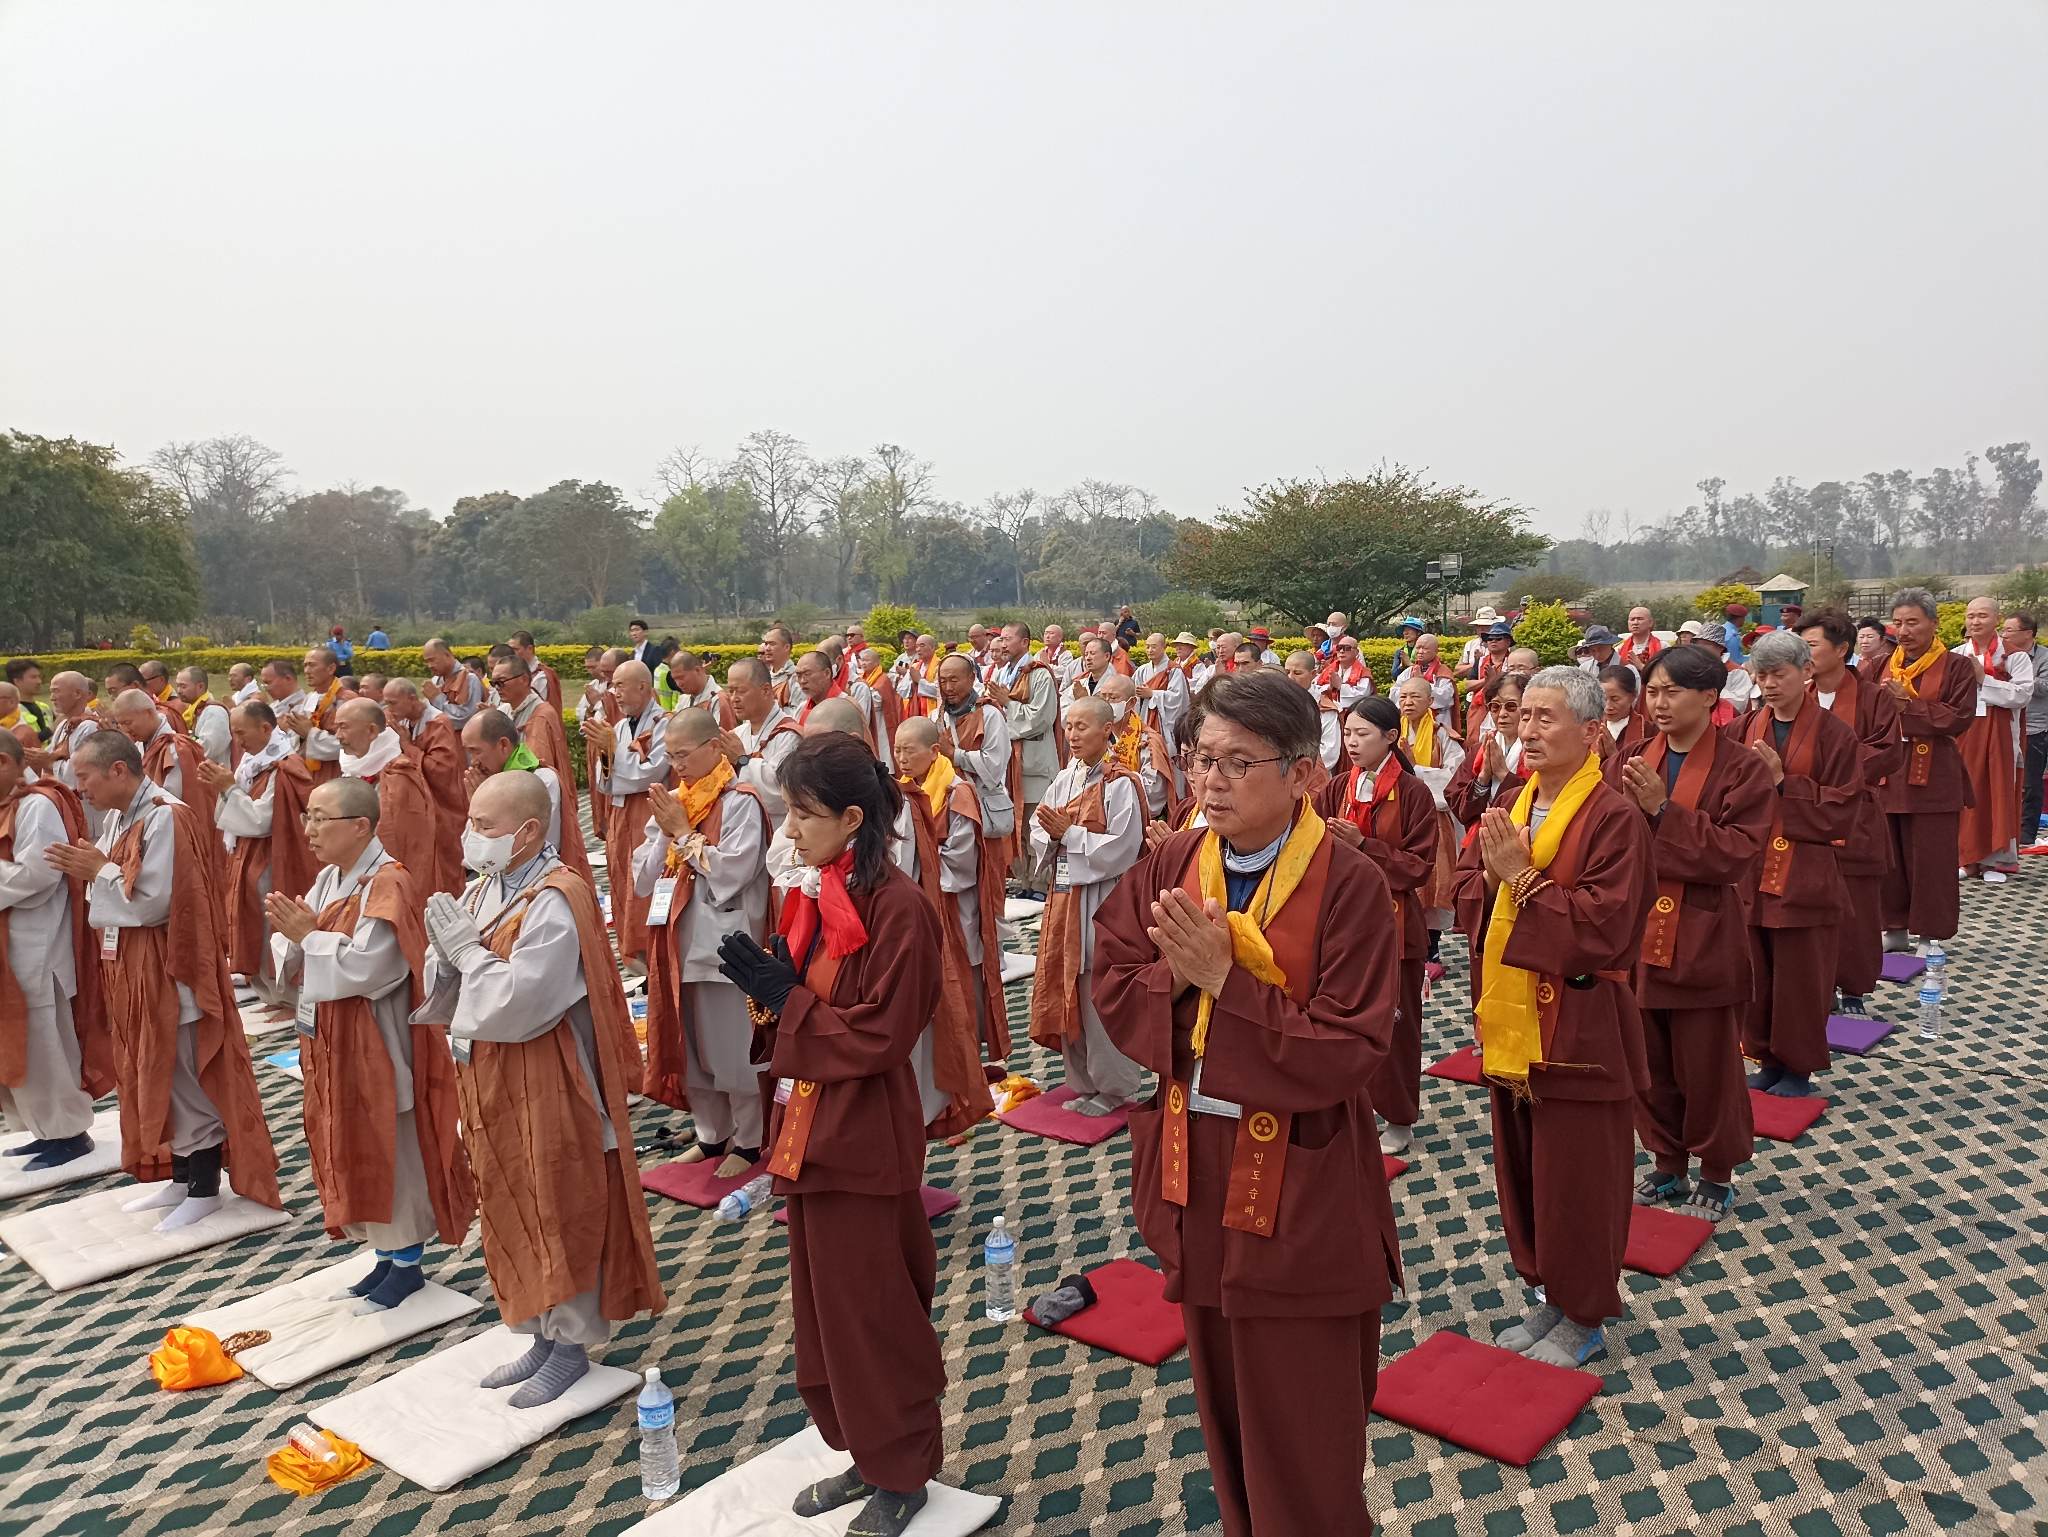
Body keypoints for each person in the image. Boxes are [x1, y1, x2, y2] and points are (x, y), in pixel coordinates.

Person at [1089, 669, 1401, 1537]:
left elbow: (1350, 1048)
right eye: (1200, 760)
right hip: (1196, 1165)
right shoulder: (1173, 859)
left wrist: (1227, 982)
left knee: (1302, 1416)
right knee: (1224, 1405)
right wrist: (1185, 983)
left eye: (1237, 763)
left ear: (1304, 772)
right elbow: (1112, 971)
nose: (1210, 782)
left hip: (1298, 1177)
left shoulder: (1350, 884)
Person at [713, 736, 948, 1537]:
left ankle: (903, 1468)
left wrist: (793, 1002)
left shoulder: (899, 908)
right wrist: (772, 990)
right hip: (806, 1126)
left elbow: (880, 1033)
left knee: (872, 1311)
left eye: (804, 814)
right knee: (825, 1316)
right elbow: (798, 1008)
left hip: (863, 1133)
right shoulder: (817, 891)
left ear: (853, 817)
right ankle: (867, 1450)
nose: (791, 828)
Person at [416, 772, 664, 1405]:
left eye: (485, 826)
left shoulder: (558, 898)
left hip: (548, 1074)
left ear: (528, 832)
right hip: (491, 1072)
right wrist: (445, 955)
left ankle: (572, 1343)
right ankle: (541, 1333)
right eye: (470, 822)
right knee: (507, 1196)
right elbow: (454, 985)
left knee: (557, 1199)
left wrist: (468, 954)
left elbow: (524, 1001)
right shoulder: (487, 887)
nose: (470, 836)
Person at [1451, 666, 1653, 1368]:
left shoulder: (1613, 815)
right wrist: (1486, 879)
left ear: (1593, 731)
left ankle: (1586, 1313)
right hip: (1512, 1017)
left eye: (1545, 717)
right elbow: (1474, 897)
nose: (1526, 729)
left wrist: (1521, 878)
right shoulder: (1515, 797)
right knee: (1528, 1167)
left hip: (1580, 1023)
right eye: (1522, 714)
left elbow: (1605, 928)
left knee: (1579, 1178)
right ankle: (1550, 1294)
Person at [47, 731, 281, 1231]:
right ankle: (179, 1176)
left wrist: (100, 872)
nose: (77, 786)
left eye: (83, 775)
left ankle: (204, 1187)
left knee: (182, 1070)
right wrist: (99, 871)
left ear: (117, 771)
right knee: (150, 1067)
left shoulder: (165, 816)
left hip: (168, 964)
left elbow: (157, 902)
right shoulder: (120, 816)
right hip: (131, 963)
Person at [265, 777, 475, 1309]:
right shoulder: (333, 877)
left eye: (320, 818)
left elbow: (370, 967)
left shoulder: (388, 883)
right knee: (353, 1137)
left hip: (377, 1039)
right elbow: (301, 937)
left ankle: (406, 1262)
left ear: (360, 826)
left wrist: (309, 937)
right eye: (307, 816)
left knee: (392, 1144)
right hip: (335, 1036)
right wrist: (299, 938)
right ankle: (383, 1255)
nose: (308, 829)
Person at [1608, 644, 1774, 1222]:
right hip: (1636, 935)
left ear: (1710, 696)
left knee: (1707, 1065)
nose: (1659, 703)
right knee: (1647, 1059)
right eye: (1652, 692)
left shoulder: (1743, 768)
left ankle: (1717, 1170)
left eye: (1671, 691)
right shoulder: (1631, 757)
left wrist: (1663, 812)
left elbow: (1735, 854)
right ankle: (1667, 1160)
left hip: (1703, 935)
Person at [632, 708, 770, 1170]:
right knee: (691, 1049)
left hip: (724, 945)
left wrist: (681, 832)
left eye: (684, 755)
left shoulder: (741, 801)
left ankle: (750, 1141)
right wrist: (666, 831)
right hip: (677, 942)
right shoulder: (676, 798)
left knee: (733, 1049)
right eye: (670, 756)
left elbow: (732, 872)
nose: (677, 766)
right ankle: (712, 1136)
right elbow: (644, 878)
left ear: (715, 747)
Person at [1733, 631, 1860, 1101]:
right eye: (1761, 674)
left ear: (1807, 673)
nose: (1768, 684)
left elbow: (1844, 807)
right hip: (1753, 866)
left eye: (1778, 674)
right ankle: (1766, 1057)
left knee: (1801, 977)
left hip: (1805, 872)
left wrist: (1785, 782)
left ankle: (1798, 1067)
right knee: (1757, 971)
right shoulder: (1745, 727)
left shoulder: (1834, 733)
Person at [1314, 696, 1438, 1159]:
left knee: (1397, 1023)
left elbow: (1419, 867)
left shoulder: (1412, 793)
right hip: (1344, 923)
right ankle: (1355, 1103)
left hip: (1396, 924)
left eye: (1362, 734)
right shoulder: (1337, 787)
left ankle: (1400, 1116)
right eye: (1347, 733)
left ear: (1391, 737)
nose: (1351, 743)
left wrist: (1364, 845)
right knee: (1346, 1017)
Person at [1028, 696, 1147, 1115]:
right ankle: (1082, 1082)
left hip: (1102, 901)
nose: (1073, 735)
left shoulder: (1121, 784)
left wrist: (1070, 835)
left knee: (1099, 993)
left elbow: (1124, 848)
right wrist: (1055, 835)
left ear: (1106, 730)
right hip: (1064, 898)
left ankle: (1115, 1089)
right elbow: (1038, 827)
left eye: (1082, 727)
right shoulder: (1066, 777)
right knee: (1068, 986)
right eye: (1069, 726)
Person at [0, 733, 111, 1171]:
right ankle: (46, 1130)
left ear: (6, 762)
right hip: (13, 946)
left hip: (36, 944)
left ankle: (68, 1134)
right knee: (23, 1041)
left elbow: (39, 874)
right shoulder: (11, 805)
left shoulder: (38, 805)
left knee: (45, 1043)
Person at [1799, 608, 1904, 1015]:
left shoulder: (1873, 696)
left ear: (1841, 649)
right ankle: (1818, 987)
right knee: (1811, 907)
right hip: (1806, 816)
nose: (1804, 654)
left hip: (1856, 816)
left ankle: (1854, 989)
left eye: (1811, 646)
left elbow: (1887, 751)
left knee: (1857, 911)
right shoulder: (1799, 695)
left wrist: (1830, 766)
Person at [894, 715, 1010, 1070]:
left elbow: (959, 861)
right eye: (896, 750)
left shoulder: (955, 792)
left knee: (963, 979)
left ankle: (969, 1061)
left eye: (908, 750)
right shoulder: (902, 790)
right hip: (921, 899)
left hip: (954, 905)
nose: (901, 758)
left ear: (933, 751)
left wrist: (917, 872)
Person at [1880, 588, 1978, 951]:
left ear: (1934, 624)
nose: (1904, 631)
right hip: (1888, 773)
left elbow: (1958, 717)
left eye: (1913, 622)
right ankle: (1893, 927)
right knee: (1888, 857)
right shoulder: (1881, 664)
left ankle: (1931, 933)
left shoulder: (1956, 667)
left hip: (1934, 775)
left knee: (1931, 860)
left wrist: (1908, 707)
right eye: (1899, 622)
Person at [202, 702, 318, 1006]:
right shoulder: (252, 764)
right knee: (250, 919)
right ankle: (269, 993)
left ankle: (289, 996)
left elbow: (261, 819)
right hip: (246, 854)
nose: (238, 741)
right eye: (233, 733)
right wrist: (227, 788)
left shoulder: (285, 766)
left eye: (241, 732)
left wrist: (229, 789)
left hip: (274, 856)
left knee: (271, 923)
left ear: (265, 728)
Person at [588, 660, 668, 964]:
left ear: (644, 687)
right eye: (613, 686)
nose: (615, 693)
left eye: (621, 685)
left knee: (645, 880)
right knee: (621, 879)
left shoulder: (663, 724)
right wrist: (608, 753)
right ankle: (631, 950)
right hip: (620, 816)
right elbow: (602, 780)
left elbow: (651, 772)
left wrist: (614, 753)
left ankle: (652, 951)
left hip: (647, 814)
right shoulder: (619, 726)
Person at [489, 659, 591, 886]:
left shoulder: (541, 714)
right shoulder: (505, 710)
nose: (497, 688)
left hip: (537, 797)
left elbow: (533, 770)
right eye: (493, 682)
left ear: (525, 680)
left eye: (502, 682)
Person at [1953, 596, 2033, 882]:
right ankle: (1967, 858)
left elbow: (2023, 695)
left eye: (1982, 615)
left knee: (1998, 791)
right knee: (1967, 791)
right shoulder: (1958, 653)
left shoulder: (2015, 656)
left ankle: (1996, 861)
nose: (1975, 621)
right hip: (1967, 732)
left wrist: (1983, 679)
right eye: (1971, 615)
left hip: (2001, 734)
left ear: (1997, 619)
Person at [461, 708, 580, 875]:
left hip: (532, 880)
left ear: (503, 744)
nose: (473, 762)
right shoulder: (488, 781)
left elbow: (539, 846)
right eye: (469, 753)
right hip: (492, 878)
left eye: (476, 751)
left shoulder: (541, 780)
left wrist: (490, 803)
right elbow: (471, 854)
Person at [987, 624, 1064, 878]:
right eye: (1002, 640)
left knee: (1034, 826)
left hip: (1033, 763)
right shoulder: (1003, 674)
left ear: (1025, 643)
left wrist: (1007, 702)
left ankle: (1040, 883)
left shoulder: (1039, 674)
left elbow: (1040, 719)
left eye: (1009, 639)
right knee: (1015, 828)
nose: (1004, 644)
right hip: (1007, 763)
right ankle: (1021, 881)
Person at [333, 699, 436, 882]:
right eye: (337, 728)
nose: (338, 735)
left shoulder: (399, 774)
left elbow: (398, 840)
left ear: (371, 731)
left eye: (344, 727)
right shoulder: (352, 765)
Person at [382, 677, 467, 897]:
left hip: (444, 808)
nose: (388, 709)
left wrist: (407, 746)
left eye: (392, 703)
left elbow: (440, 769)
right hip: (422, 808)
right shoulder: (406, 721)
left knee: (447, 867)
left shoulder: (438, 723)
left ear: (412, 699)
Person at [933, 654, 1017, 869]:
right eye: (943, 681)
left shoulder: (989, 715)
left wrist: (955, 754)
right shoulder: (937, 718)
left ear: (971, 678)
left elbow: (994, 766)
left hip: (980, 805)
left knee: (985, 874)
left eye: (954, 680)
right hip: (947, 809)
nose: (948, 687)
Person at [720, 656, 803, 819]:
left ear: (765, 690)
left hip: (775, 830)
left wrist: (742, 760)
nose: (734, 698)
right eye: (731, 691)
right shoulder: (737, 734)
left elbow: (782, 794)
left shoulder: (790, 735)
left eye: (741, 691)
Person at [1100, 671, 1183, 822]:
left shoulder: (1148, 741)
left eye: (1113, 698)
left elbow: (1153, 794)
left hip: (1134, 821)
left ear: (1131, 703)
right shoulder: (1097, 734)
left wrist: (1118, 774)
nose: (1106, 703)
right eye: (1103, 697)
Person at [2004, 611, 2048, 847]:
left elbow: (2045, 687)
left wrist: (2021, 676)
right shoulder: (2003, 656)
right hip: (2006, 726)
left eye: (2010, 630)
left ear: (2028, 633)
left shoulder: (2043, 657)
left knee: (2030, 784)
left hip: (2034, 728)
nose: (2004, 634)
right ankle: (2005, 831)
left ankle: (2026, 835)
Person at [25, 671, 98, 790]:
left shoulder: (90, 727)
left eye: (56, 691)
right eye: (51, 692)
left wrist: (48, 763)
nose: (51, 698)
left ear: (77, 693)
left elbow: (79, 775)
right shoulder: (63, 724)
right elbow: (48, 757)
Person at [1284, 650, 1342, 777]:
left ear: (1313, 674)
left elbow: (1329, 753)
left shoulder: (1324, 707)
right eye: (1287, 672)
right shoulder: (1279, 701)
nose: (1290, 678)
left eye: (1297, 673)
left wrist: (1298, 770)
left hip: (1313, 777)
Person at [1134, 632, 1193, 757]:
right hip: (1144, 718)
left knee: (1166, 754)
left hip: (1164, 722)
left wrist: (1152, 693)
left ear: (1164, 647)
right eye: (1147, 646)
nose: (1150, 650)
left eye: (1154, 646)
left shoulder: (1173, 670)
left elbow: (1178, 697)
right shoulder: (1142, 670)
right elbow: (1133, 693)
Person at [172, 666, 231, 766]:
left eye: (183, 686)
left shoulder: (214, 712)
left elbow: (206, 749)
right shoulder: (194, 711)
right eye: (177, 686)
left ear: (200, 686)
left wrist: (176, 748)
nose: (179, 691)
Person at [421, 638, 485, 727]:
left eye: (432, 660)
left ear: (447, 655)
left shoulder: (470, 679)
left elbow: (465, 718)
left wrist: (436, 698)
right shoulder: (434, 681)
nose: (429, 666)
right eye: (427, 661)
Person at [1596, 664, 1646, 758]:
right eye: (1603, 699)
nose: (1608, 707)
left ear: (1633, 696)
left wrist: (1614, 755)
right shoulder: (1591, 728)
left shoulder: (1648, 730)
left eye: (1615, 699)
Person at [5, 659, 53, 743]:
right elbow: (19, 743)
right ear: (17, 681)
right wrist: (52, 729)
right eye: (33, 677)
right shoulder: (8, 711)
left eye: (39, 677)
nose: (39, 681)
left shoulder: (44, 707)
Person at [508, 631, 560, 704]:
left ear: (530, 648)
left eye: (516, 649)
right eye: (510, 649)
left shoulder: (542, 676)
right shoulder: (515, 672)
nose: (511, 653)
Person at [1617, 607, 1663, 673]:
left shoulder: (1662, 646)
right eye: (1632, 619)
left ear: (1650, 623)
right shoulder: (1620, 648)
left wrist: (1640, 666)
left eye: (1640, 619)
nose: (1635, 622)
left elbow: (1666, 674)